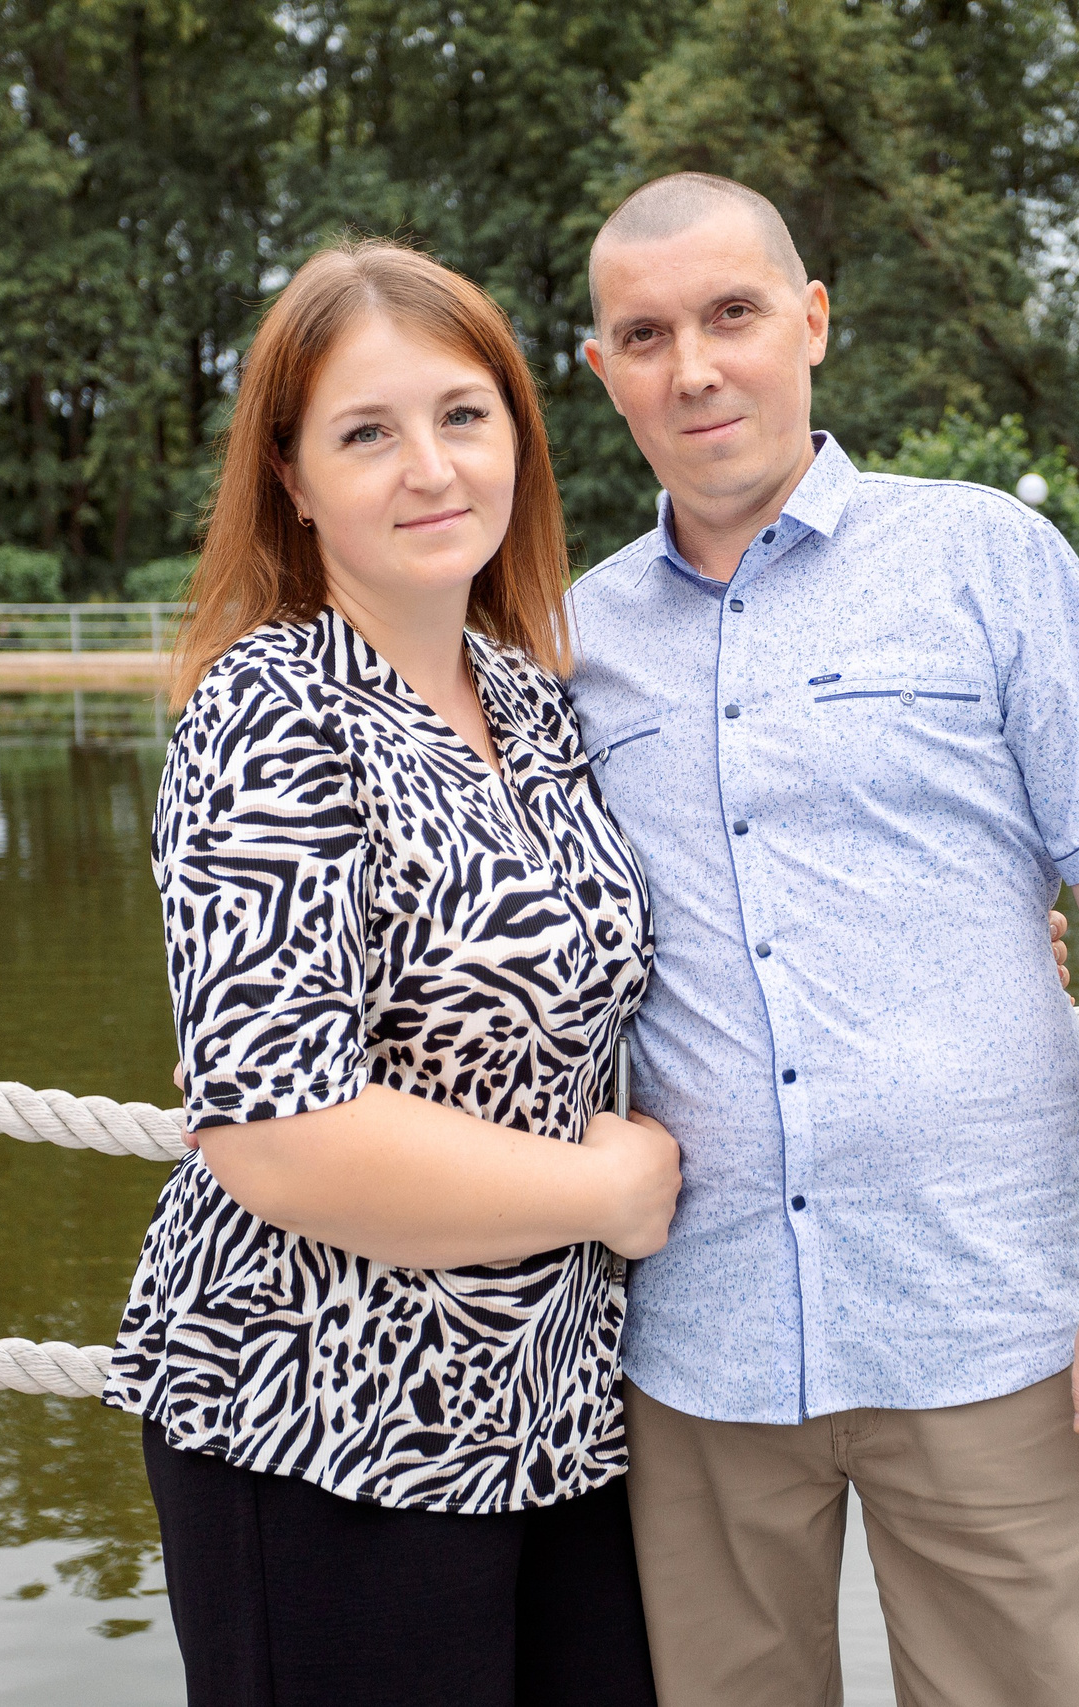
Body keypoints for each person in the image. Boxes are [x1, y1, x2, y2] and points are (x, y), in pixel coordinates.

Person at [568, 172, 1079, 1707]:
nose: (694, 366)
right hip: (701, 1347)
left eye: (732, 315)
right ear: (603, 374)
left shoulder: (983, 561)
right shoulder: (569, 638)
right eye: (644, 335)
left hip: (986, 1326)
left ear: (812, 321)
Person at [103, 237, 672, 1707]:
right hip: (324, 1417)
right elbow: (279, 1136)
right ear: (291, 478)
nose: (430, 466)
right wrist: (607, 1195)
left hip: (554, 1419)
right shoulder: (269, 715)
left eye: (463, 415)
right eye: (367, 432)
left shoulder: (537, 707)